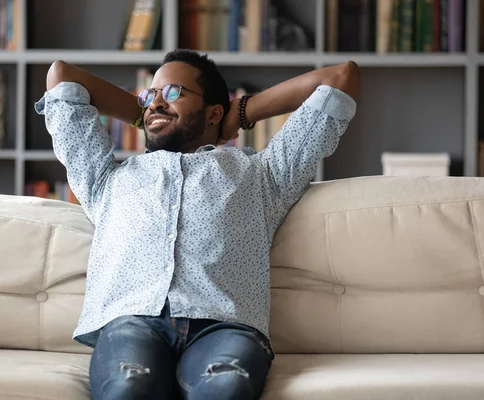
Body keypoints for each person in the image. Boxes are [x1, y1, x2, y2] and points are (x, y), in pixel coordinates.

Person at [35, 49, 360, 400]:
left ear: (213, 112)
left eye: (174, 92)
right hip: (132, 322)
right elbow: (62, 76)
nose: (156, 103)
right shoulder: (105, 179)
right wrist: (145, 112)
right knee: (129, 388)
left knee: (226, 387)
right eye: (150, 95)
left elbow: (341, 78)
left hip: (224, 327)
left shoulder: (263, 175)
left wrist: (241, 113)